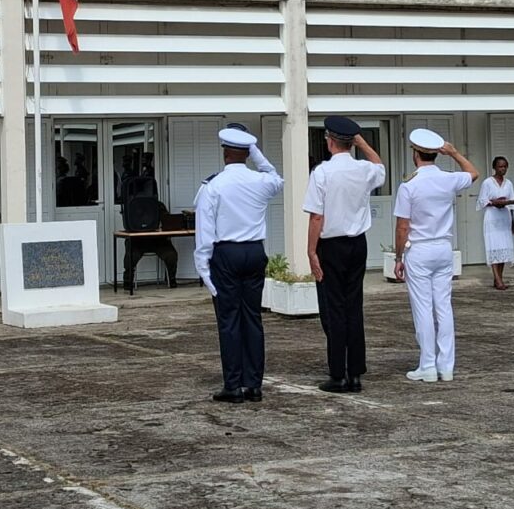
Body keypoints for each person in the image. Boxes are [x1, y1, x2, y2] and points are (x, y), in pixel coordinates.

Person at [194, 126, 283, 404]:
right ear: (247, 153)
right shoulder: (261, 181)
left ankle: (233, 385)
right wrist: (254, 151)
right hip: (254, 251)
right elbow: (275, 176)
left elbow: (205, 232)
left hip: (226, 254)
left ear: (225, 153)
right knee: (253, 318)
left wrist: (203, 268)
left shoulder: (214, 185)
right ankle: (253, 385)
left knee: (229, 320)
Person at [303, 116, 385, 394]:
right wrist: (362, 142)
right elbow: (380, 167)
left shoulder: (322, 172)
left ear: (329, 141)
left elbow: (316, 217)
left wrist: (311, 251)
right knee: (354, 307)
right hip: (357, 243)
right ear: (351, 142)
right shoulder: (363, 169)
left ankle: (338, 373)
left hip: (331, 245)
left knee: (334, 309)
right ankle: (355, 372)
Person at [393, 129, 478, 383]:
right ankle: (446, 366)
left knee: (423, 309)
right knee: (443, 307)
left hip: (419, 249)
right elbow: (473, 173)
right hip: (443, 247)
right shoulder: (448, 179)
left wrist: (398, 258)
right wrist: (454, 153)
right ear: (436, 154)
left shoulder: (409, 185)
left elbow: (402, 227)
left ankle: (428, 365)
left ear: (415, 154)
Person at [477, 156, 514, 290]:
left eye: (505, 166)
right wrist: (495, 202)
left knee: (503, 248)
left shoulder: (508, 184)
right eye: (500, 166)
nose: (503, 169)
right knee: (494, 247)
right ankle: (497, 279)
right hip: (492, 218)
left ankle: (499, 279)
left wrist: (513, 222)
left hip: (504, 218)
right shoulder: (487, 183)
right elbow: (482, 200)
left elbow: (511, 203)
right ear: (494, 167)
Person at [123, 202, 179, 290]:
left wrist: (164, 226)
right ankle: (127, 282)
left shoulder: (158, 205)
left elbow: (167, 221)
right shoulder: (133, 206)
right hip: (138, 241)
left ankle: (172, 279)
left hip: (158, 241)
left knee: (171, 255)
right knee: (131, 256)